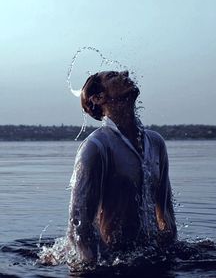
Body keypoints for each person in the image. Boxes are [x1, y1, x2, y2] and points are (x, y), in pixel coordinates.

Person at [67, 70, 177, 264]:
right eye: (112, 76)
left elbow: (165, 214)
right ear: (98, 98)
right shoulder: (95, 148)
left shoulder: (156, 143)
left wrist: (170, 257)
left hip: (148, 257)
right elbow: (79, 227)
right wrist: (88, 269)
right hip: (113, 262)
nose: (125, 73)